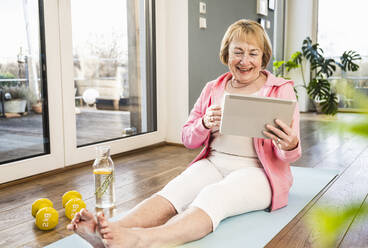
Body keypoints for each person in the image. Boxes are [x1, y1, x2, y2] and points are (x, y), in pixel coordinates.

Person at [67, 19, 301, 248]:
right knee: (174, 192)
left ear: (263, 57)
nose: (244, 60)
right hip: (214, 163)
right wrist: (204, 123)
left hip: (258, 172)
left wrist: (289, 144)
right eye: (238, 52)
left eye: (253, 53)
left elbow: (290, 155)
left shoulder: (281, 90)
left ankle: (142, 241)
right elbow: (188, 138)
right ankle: (107, 230)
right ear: (227, 55)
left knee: (214, 196)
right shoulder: (213, 88)